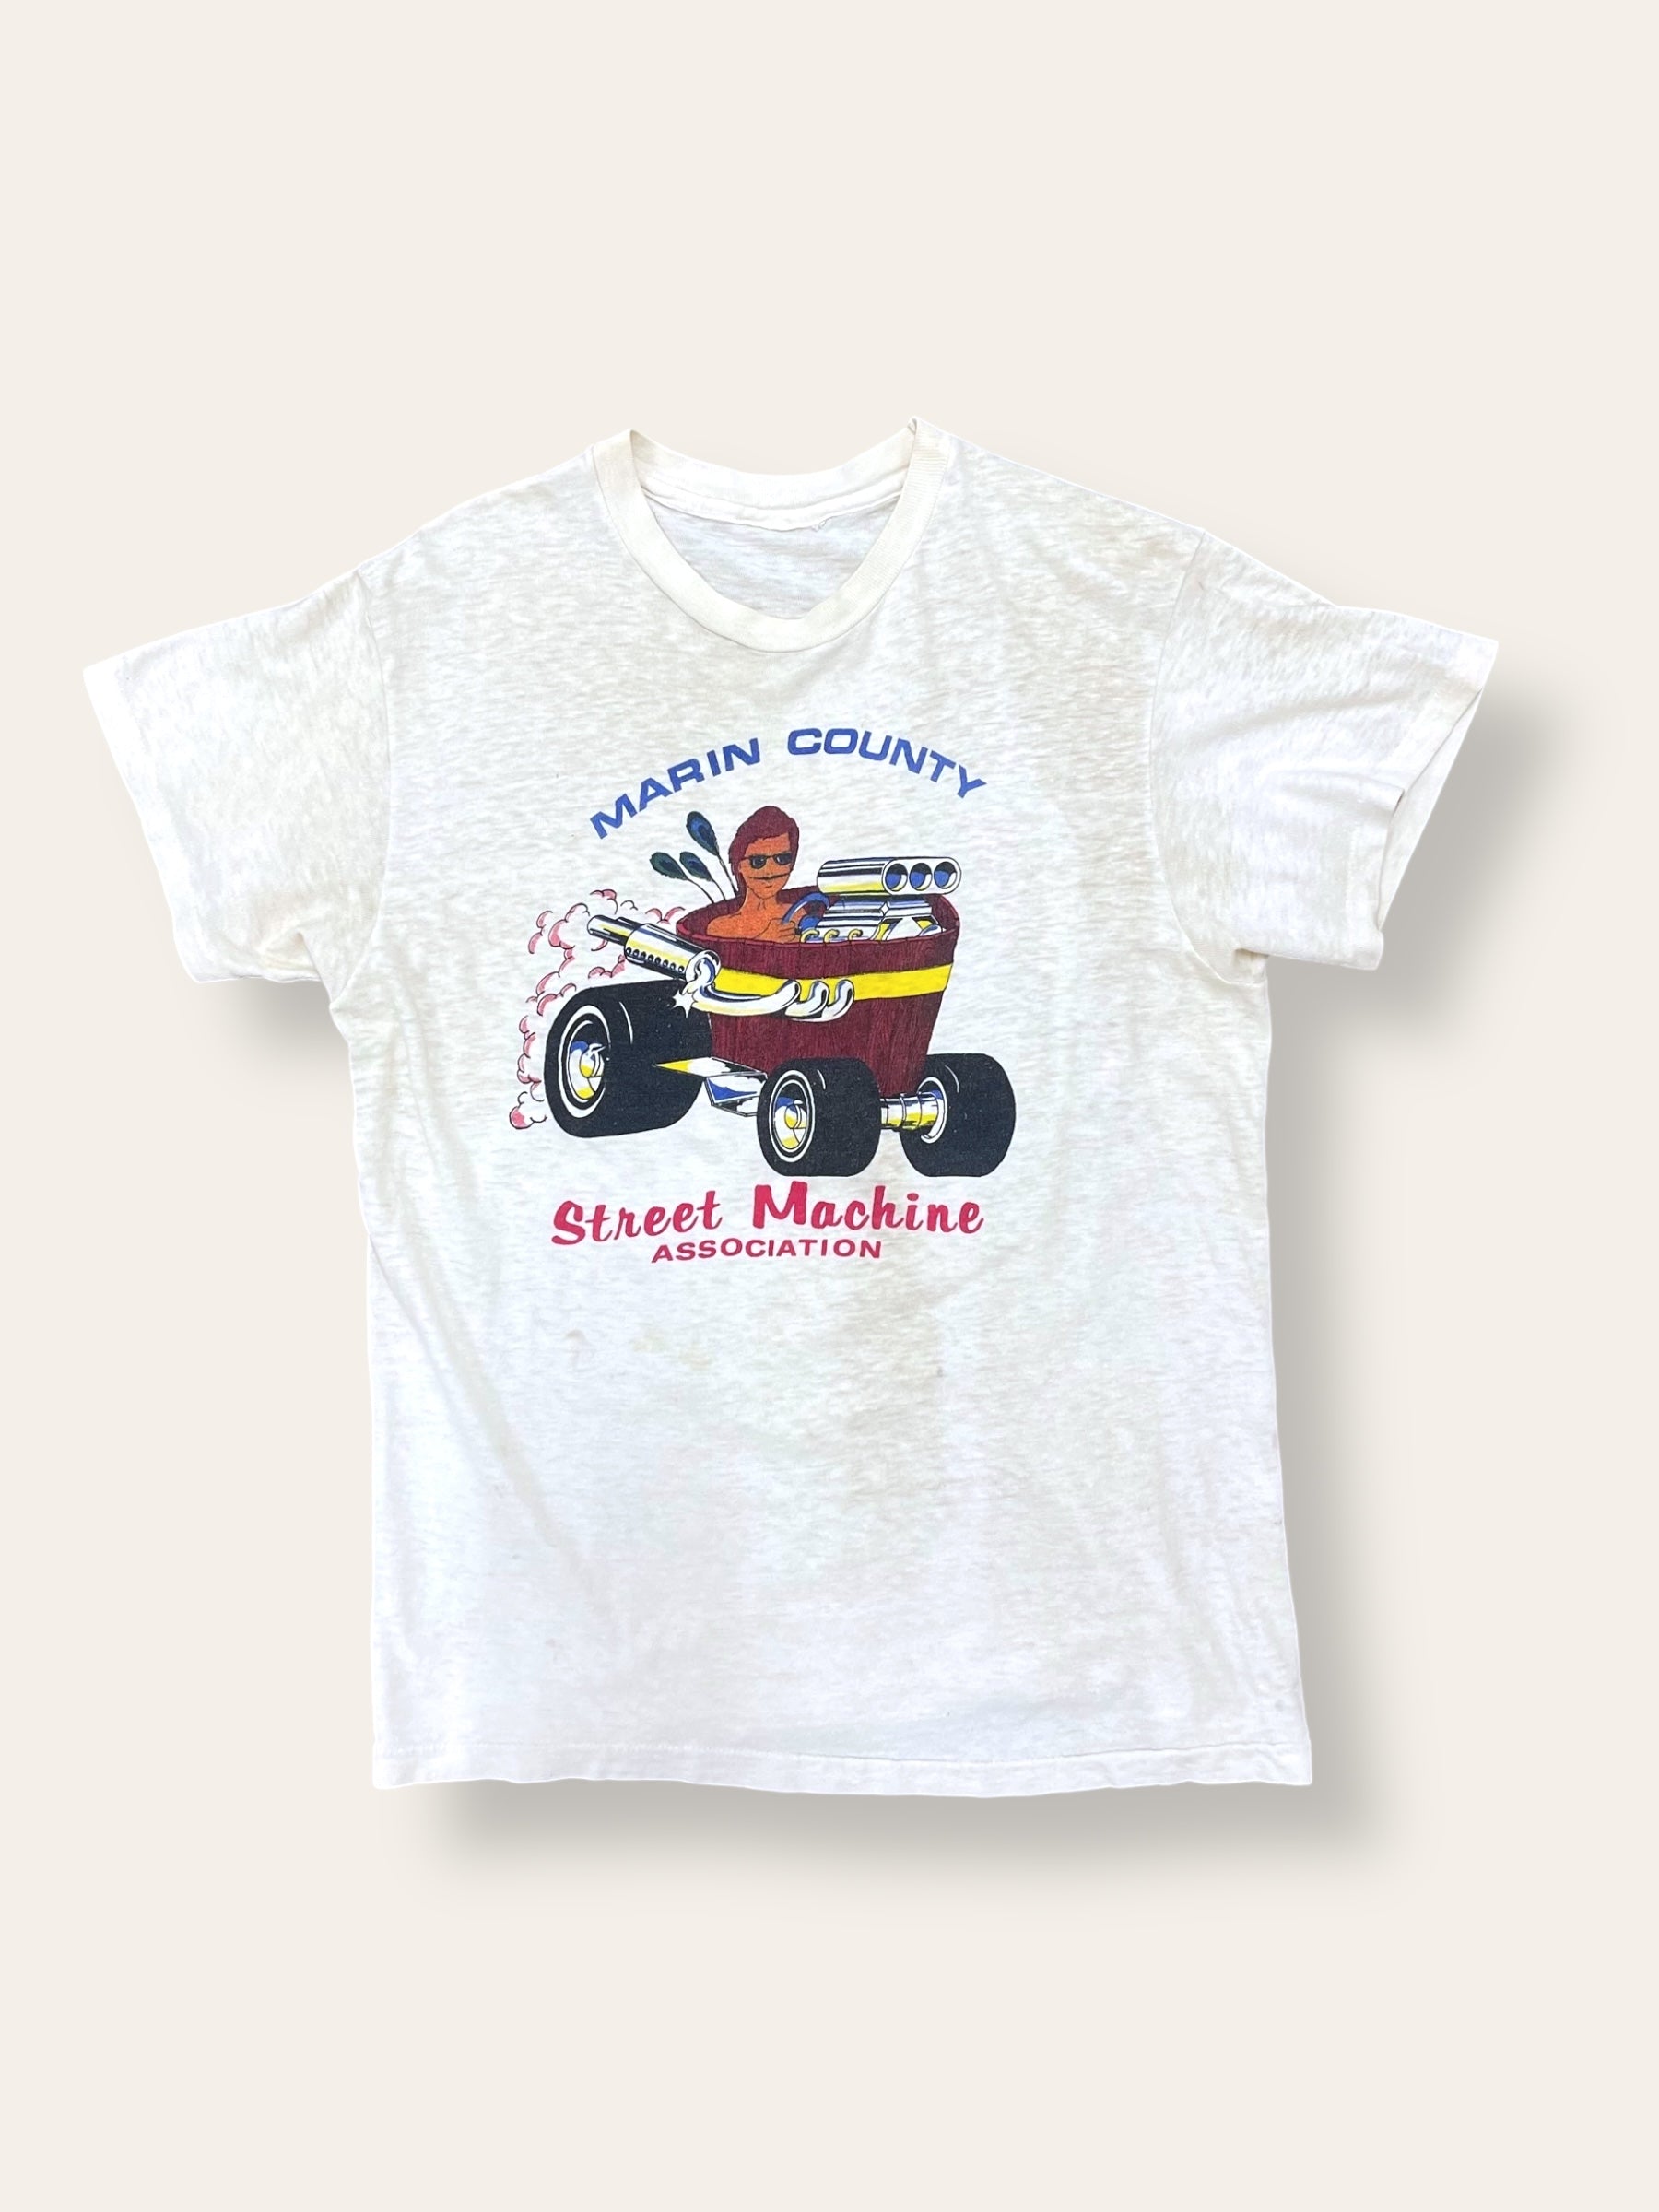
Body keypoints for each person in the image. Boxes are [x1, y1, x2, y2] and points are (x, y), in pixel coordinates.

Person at [703, 805, 805, 942]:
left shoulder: (798, 915)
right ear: (739, 865)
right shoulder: (720, 927)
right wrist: (765, 938)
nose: (770, 871)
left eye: (782, 859)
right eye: (758, 861)